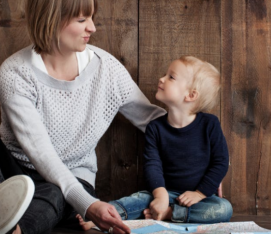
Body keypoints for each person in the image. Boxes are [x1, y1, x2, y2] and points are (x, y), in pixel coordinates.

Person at [0, 0, 166, 233]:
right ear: (52, 19)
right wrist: (91, 206)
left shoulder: (108, 69)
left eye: (91, 18)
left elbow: (154, 121)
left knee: (56, 193)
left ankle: (11, 229)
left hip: (73, 178)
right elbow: (41, 153)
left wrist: (208, 158)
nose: (92, 28)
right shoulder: (15, 73)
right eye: (82, 20)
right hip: (13, 173)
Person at [78, 56, 233, 230]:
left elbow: (220, 162)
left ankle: (168, 214)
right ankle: (100, 217)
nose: (162, 79)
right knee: (137, 200)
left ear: (191, 95)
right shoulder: (156, 128)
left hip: (199, 199)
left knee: (223, 209)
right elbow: (153, 165)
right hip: (164, 192)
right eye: (165, 74)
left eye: (171, 77)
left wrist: (200, 193)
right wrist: (160, 196)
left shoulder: (209, 124)